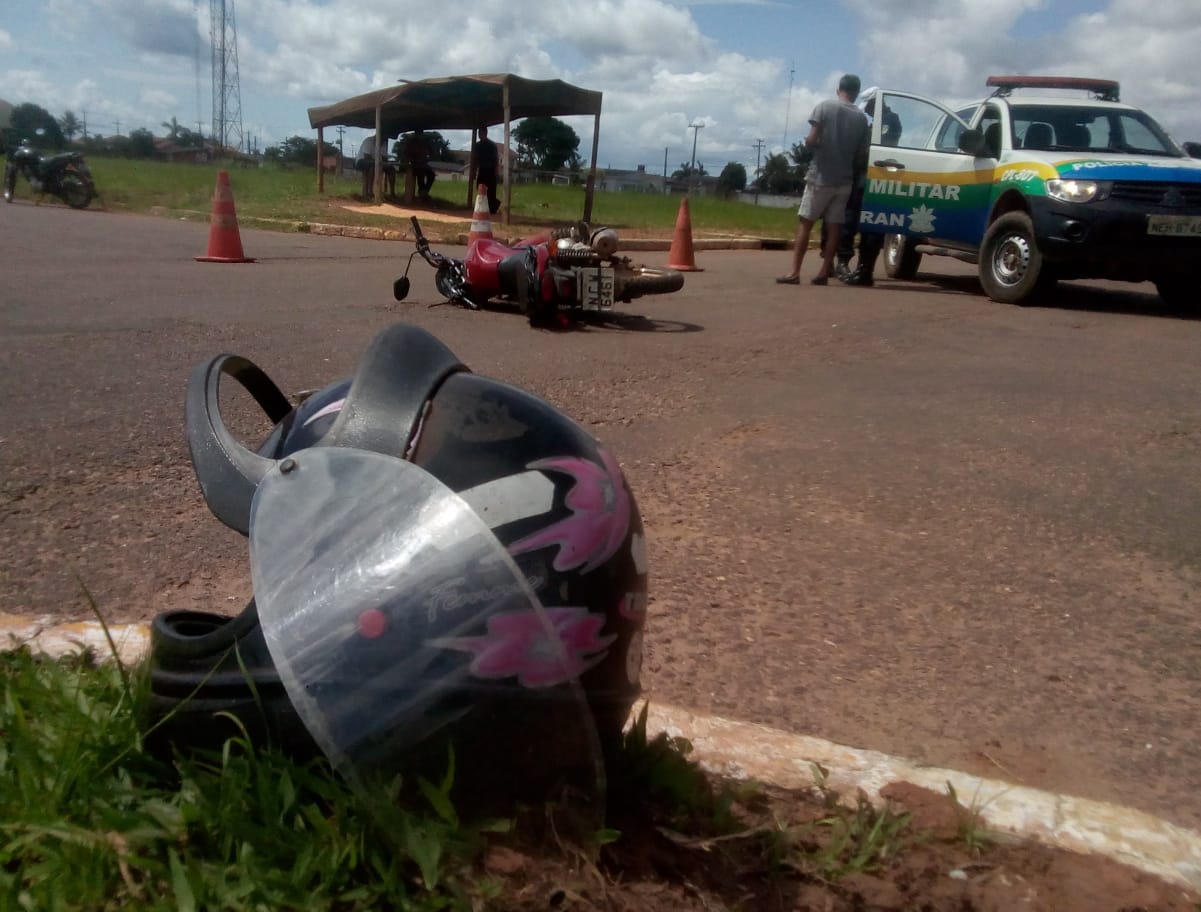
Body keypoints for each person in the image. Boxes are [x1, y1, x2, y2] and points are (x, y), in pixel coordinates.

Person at [776, 74, 870, 286]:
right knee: (835, 226)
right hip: (845, 179)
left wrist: (813, 143)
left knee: (806, 222)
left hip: (820, 176)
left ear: (839, 90)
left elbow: (811, 139)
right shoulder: (861, 119)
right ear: (856, 93)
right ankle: (823, 271)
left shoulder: (824, 107)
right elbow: (861, 152)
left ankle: (795, 272)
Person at [840, 93, 902, 287]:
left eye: (869, 107)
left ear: (876, 104)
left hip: (874, 176)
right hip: (865, 175)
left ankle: (864, 269)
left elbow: (878, 148)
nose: (867, 111)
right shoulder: (876, 123)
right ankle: (852, 265)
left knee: (871, 223)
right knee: (853, 218)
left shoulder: (890, 120)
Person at [473, 126, 501, 214]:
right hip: (482, 169)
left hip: (490, 170)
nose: (479, 135)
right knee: (480, 188)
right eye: (478, 133)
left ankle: (493, 208)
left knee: (491, 191)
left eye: (480, 133)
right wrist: (474, 171)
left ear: (485, 133)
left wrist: (496, 171)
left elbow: (495, 159)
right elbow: (475, 159)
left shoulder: (491, 145)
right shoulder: (477, 146)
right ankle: (482, 207)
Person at [405, 130, 436, 199]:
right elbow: (406, 154)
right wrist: (412, 160)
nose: (419, 135)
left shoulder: (425, 142)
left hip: (424, 164)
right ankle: (422, 192)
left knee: (431, 174)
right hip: (414, 164)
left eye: (421, 134)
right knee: (420, 173)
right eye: (418, 134)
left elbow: (431, 152)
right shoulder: (411, 143)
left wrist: (428, 158)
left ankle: (425, 191)